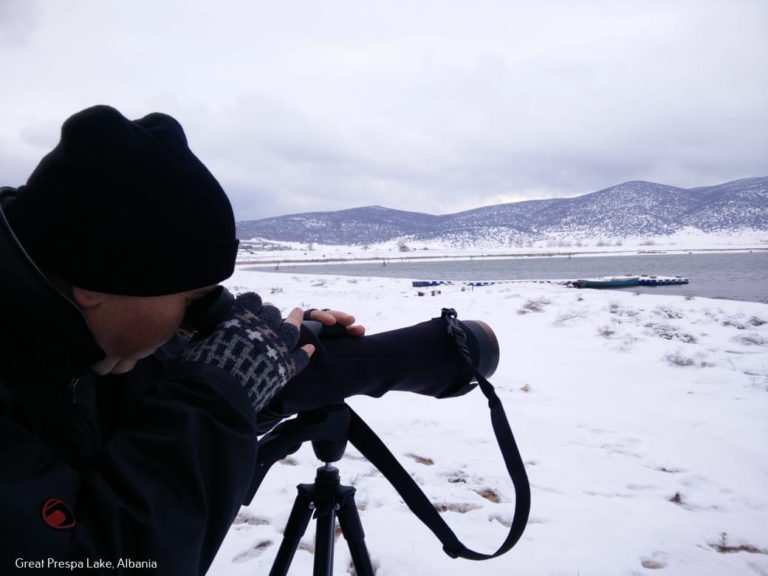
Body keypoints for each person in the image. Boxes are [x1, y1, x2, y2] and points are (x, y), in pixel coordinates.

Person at [0, 105, 364, 574]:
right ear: (94, 281)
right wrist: (212, 398)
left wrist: (250, 380)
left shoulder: (72, 339)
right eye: (191, 297)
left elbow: (121, 402)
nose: (191, 321)